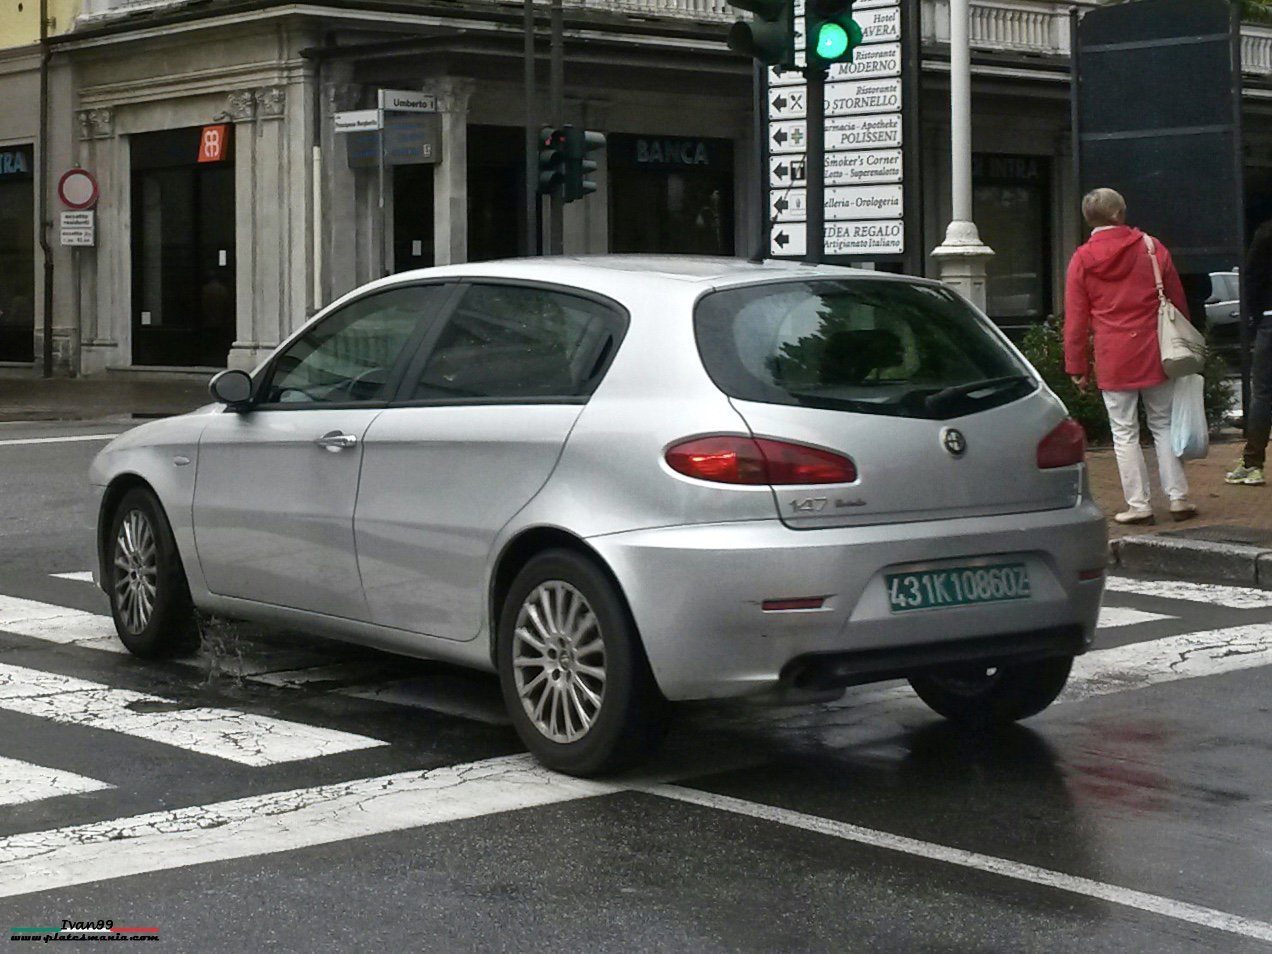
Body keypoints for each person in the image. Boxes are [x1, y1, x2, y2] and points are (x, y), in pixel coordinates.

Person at [1064, 187, 1197, 525]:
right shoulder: (1152, 249)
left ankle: (1139, 505)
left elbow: (1076, 319)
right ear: (1120, 214)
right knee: (1163, 424)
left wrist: (1077, 366)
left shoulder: (1082, 259)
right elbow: (1178, 302)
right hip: (1156, 349)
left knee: (1124, 432)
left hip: (1113, 354)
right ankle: (1178, 497)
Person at [1225, 219, 1272, 486]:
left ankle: (1253, 463)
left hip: (1270, 319)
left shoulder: (1265, 234)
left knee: (1263, 394)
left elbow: (1251, 278)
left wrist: (1254, 316)